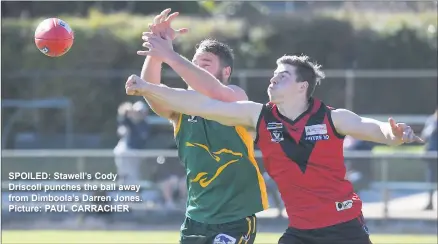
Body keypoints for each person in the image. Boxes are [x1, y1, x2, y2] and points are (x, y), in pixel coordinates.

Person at [126, 31, 423, 243]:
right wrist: (149, 87)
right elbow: (200, 104)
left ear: (302, 86)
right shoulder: (259, 116)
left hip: (345, 228)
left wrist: (394, 135)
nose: (273, 78)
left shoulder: (332, 117)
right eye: (274, 74)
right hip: (300, 233)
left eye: (282, 76)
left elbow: (374, 129)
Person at [137, 9, 268, 244]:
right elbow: (150, 90)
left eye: (204, 64)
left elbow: (216, 91)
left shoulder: (236, 97)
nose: (194, 69)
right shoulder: (181, 108)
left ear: (226, 71)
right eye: (193, 63)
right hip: (196, 217)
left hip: (235, 216)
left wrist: (170, 56)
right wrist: (158, 50)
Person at [114, 101, 150, 184]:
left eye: (141, 112)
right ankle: (123, 190)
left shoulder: (145, 124)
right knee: (123, 173)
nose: (139, 114)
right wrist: (126, 111)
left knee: (134, 174)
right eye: (137, 112)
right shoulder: (128, 121)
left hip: (136, 152)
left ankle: (133, 191)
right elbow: (122, 118)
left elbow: (140, 137)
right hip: (126, 152)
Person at [421, 107, 437, 210]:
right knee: (431, 179)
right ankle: (430, 202)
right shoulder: (431, 121)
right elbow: (425, 136)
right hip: (432, 155)